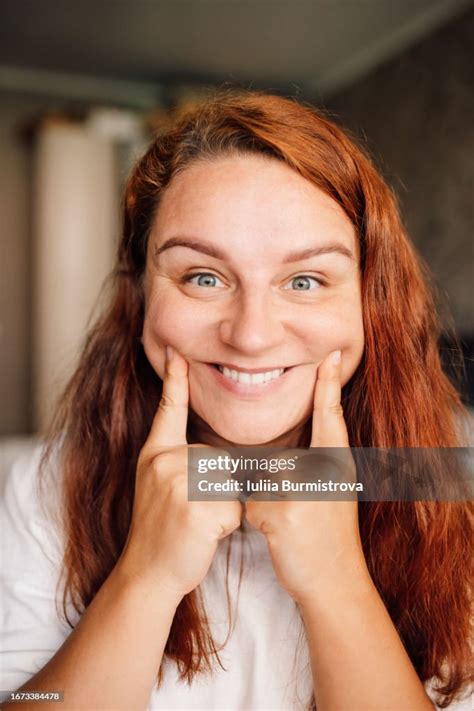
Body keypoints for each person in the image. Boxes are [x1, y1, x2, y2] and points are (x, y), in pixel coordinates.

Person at [1, 91, 472, 711]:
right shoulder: (51, 483)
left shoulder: (450, 488)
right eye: (203, 277)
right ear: (141, 299)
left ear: (370, 302)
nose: (250, 335)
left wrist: (335, 578)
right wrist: (146, 575)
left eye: (304, 281)